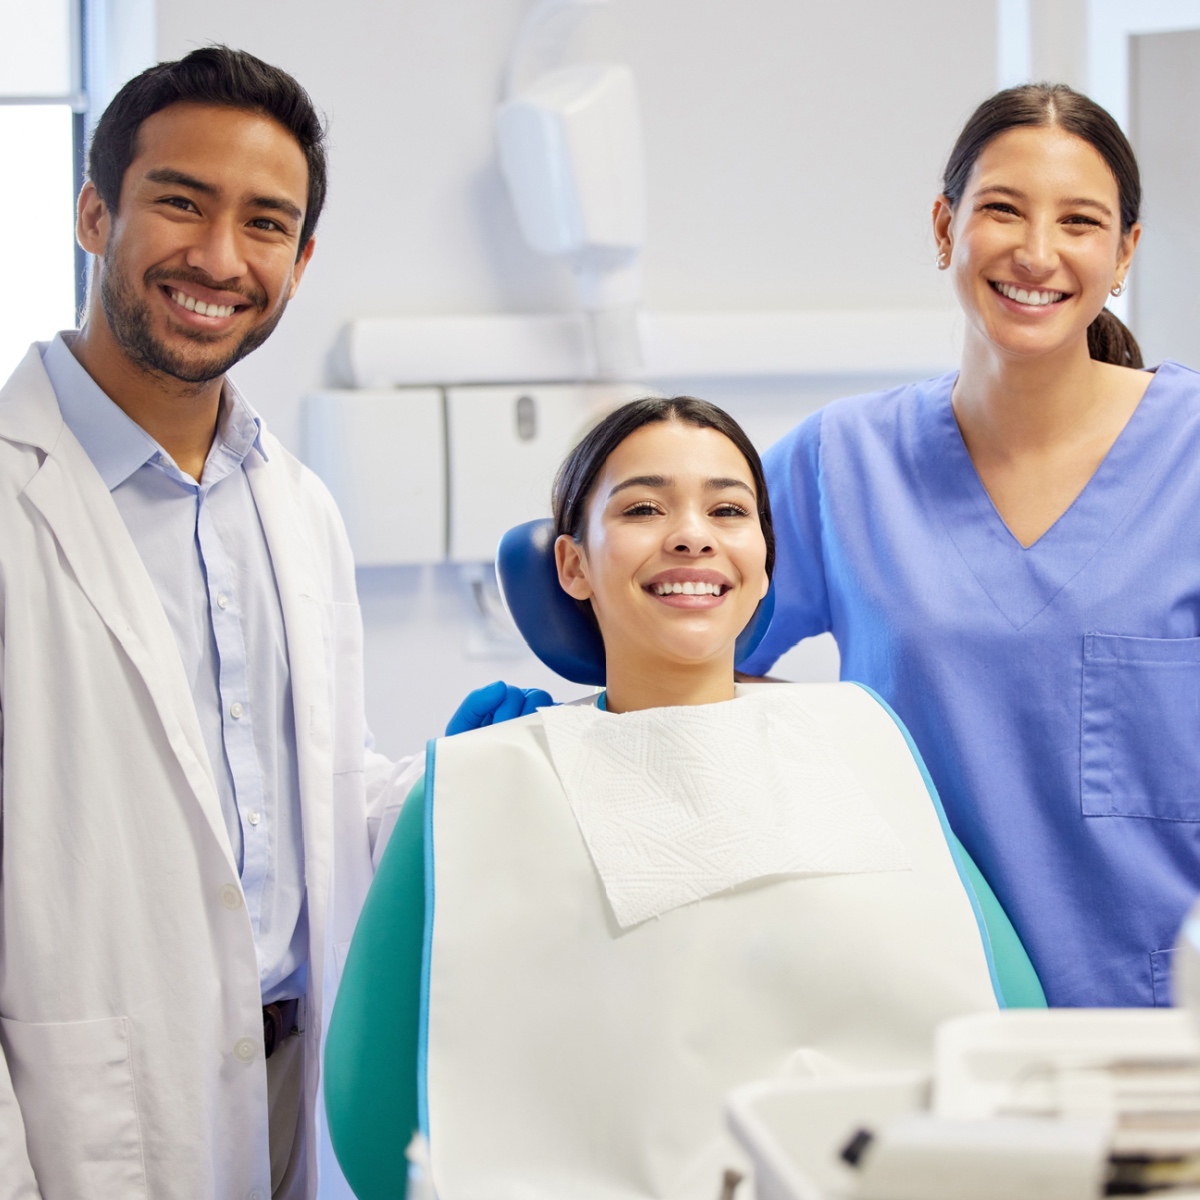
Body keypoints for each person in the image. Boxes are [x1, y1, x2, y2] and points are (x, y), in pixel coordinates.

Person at [325, 397, 1042, 1200]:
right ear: (572, 564)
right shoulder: (481, 787)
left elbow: (1000, 1013)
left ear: (764, 560)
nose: (692, 533)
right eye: (642, 507)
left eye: (728, 508)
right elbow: (377, 1115)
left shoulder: (861, 742)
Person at [0, 47, 424, 1199]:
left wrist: (506, 769)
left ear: (303, 257)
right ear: (96, 212)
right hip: (79, 1126)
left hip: (295, 1091)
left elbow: (317, 796)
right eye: (181, 203)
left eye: (266, 223)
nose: (220, 259)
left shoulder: (292, 503)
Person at [737, 83, 1199, 1009]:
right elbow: (697, 661)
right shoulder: (842, 462)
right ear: (946, 227)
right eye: (1002, 209)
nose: (1036, 252)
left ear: (1124, 254)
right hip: (920, 1007)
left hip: (1158, 1020)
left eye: (1079, 221)